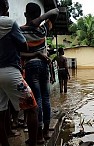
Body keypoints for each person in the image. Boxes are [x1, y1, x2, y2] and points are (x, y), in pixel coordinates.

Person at [0, 0, 45, 145]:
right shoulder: (8, 22)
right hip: (10, 71)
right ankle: (32, 141)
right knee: (32, 107)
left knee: (1, 112)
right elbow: (24, 45)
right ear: (5, 7)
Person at [20, 2, 59, 144]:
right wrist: (41, 19)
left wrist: (34, 20)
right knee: (46, 98)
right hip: (44, 66)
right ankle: (46, 132)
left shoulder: (20, 30)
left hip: (31, 67)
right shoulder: (43, 30)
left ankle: (39, 136)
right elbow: (55, 12)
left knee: (37, 101)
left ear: (25, 14)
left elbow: (20, 54)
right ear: (39, 16)